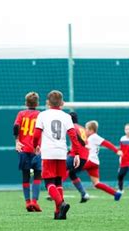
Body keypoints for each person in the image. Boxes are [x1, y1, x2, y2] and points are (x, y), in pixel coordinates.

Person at [33, 90, 81, 220]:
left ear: (47, 102)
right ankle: (58, 213)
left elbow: (36, 134)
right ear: (62, 103)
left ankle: (61, 204)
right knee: (58, 181)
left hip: (48, 152)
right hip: (61, 152)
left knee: (49, 182)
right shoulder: (66, 116)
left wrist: (35, 146)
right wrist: (76, 154)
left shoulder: (42, 115)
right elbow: (73, 136)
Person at [13, 92, 42, 212]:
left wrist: (17, 141)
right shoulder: (40, 115)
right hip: (36, 150)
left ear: (26, 103)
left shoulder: (21, 113)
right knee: (37, 175)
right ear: (37, 103)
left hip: (24, 149)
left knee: (25, 176)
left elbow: (16, 127)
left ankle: (27, 202)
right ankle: (35, 202)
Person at [83, 120, 123, 200]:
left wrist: (116, 150)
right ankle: (116, 194)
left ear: (91, 130)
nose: (85, 130)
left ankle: (56, 189)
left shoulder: (94, 136)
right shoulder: (90, 138)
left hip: (89, 161)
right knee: (97, 183)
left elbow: (106, 143)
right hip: (94, 162)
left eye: (86, 129)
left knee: (69, 170)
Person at [66, 112, 90, 203]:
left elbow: (78, 139)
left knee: (59, 168)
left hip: (76, 155)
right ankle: (84, 194)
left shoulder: (72, 127)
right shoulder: (82, 128)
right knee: (72, 174)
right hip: (84, 157)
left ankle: (54, 192)